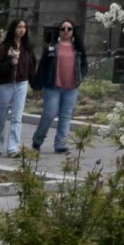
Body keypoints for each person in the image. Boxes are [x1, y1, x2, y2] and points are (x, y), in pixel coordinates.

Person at [28, 18, 86, 157]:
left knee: (66, 115)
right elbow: (42, 67)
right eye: (63, 28)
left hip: (71, 87)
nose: (66, 31)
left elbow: (84, 65)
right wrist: (37, 86)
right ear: (59, 31)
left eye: (69, 29)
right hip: (53, 86)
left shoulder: (77, 48)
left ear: (73, 32)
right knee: (49, 114)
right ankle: (38, 140)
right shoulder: (51, 48)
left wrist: (81, 77)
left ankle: (60, 144)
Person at [0, 18, 34, 158]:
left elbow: (32, 65)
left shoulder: (27, 47)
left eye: (24, 27)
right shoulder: (5, 47)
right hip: (6, 84)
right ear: (13, 29)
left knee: (17, 117)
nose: (22, 30)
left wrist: (34, 83)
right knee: (1, 116)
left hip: (21, 83)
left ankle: (13, 147)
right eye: (19, 27)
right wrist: (10, 62)